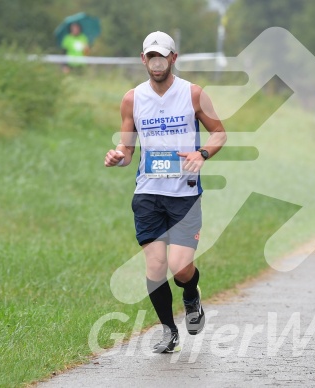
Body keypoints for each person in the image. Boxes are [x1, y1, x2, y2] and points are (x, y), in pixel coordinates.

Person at [104, 31, 227, 353]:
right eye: (151, 56)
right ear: (144, 60)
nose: (157, 62)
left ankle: (191, 296)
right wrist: (118, 157)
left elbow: (219, 134)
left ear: (173, 58)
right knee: (156, 267)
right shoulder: (132, 98)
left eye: (163, 56)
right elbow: (127, 150)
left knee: (180, 268)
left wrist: (202, 155)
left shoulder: (193, 94)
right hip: (148, 194)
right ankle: (168, 330)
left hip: (184, 195)